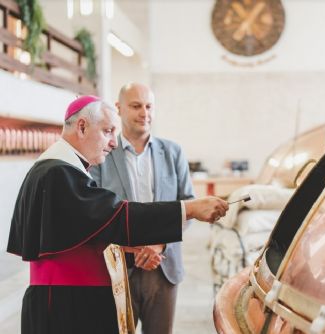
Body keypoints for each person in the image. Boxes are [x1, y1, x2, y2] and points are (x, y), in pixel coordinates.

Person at [7, 95, 228, 334]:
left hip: (70, 299)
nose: (113, 143)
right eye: (108, 131)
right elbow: (117, 215)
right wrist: (190, 209)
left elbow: (84, 237)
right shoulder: (59, 173)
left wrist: (131, 254)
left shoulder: (60, 170)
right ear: (82, 126)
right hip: (68, 304)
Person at [90, 83, 191, 333]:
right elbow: (95, 211)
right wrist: (133, 248)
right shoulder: (103, 154)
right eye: (136, 106)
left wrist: (159, 244)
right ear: (119, 108)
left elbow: (188, 205)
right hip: (119, 269)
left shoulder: (173, 152)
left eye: (148, 106)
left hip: (163, 267)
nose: (144, 113)